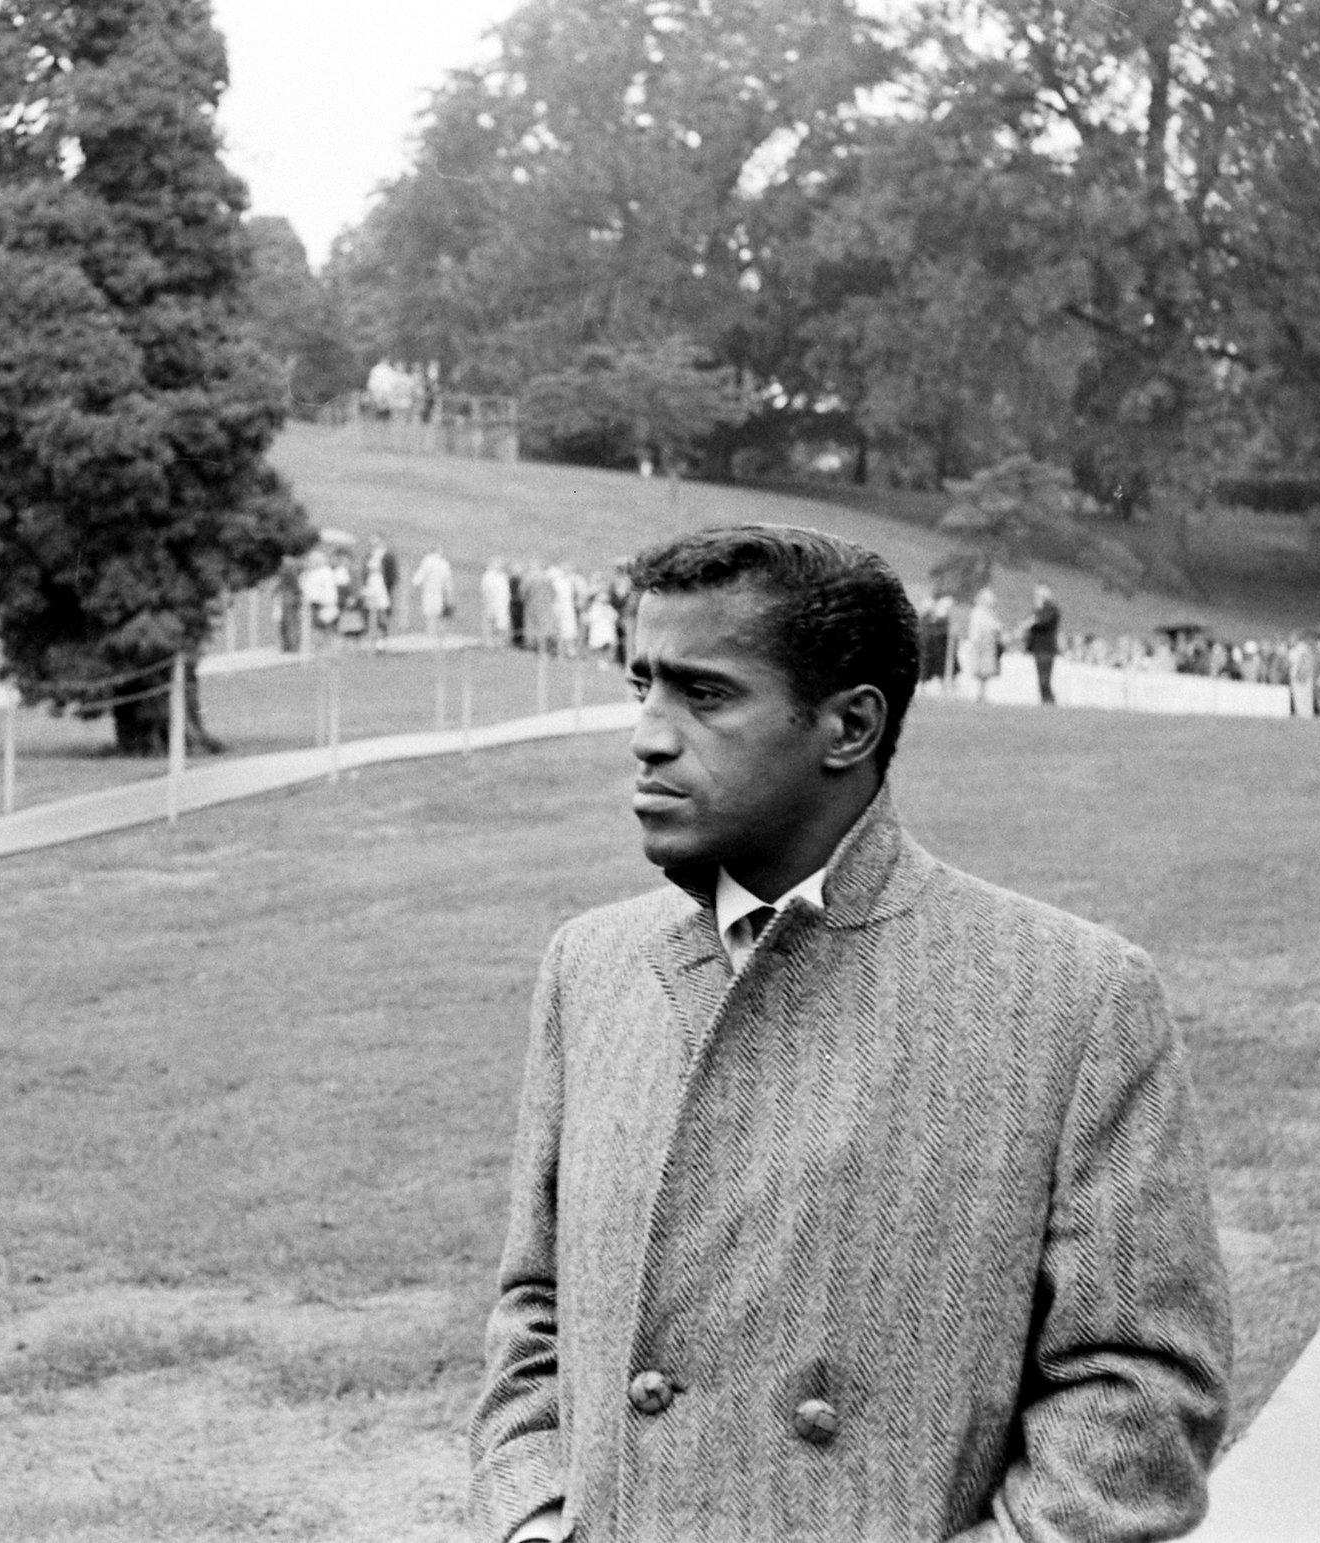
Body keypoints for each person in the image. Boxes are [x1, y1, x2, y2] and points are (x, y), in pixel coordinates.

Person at [471, 525, 1231, 1543]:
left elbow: (1143, 1392)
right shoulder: (590, 967)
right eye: (641, 685)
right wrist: (532, 1522)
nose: (647, 735)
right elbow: (535, 1315)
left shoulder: (1073, 996)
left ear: (849, 727)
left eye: (703, 694)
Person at [1022, 583, 1062, 705]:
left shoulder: (1052, 610)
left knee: (1045, 678)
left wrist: (1033, 620)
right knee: (1041, 677)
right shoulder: (1038, 611)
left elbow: (1042, 624)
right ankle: (1045, 700)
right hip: (1038, 647)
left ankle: (1049, 701)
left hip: (1046, 648)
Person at [963, 586, 1003, 702]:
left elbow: (995, 627)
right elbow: (976, 630)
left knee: (985, 672)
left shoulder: (989, 613)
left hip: (988, 645)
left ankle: (982, 693)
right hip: (981, 645)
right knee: (979, 670)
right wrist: (974, 643)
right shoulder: (978, 612)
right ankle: (979, 694)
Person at [413, 548, 454, 639]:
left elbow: (421, 574)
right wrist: (449, 591)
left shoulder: (428, 561)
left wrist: (416, 582)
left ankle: (431, 633)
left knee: (430, 611)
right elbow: (448, 580)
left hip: (431, 590)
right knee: (437, 611)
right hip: (437, 590)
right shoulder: (443, 563)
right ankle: (437, 634)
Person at [482, 558, 514, 647]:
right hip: (491, 602)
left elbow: (506, 591)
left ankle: (500, 641)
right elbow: (486, 590)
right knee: (490, 621)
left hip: (502, 603)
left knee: (501, 623)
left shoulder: (502, 577)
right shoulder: (488, 576)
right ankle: (489, 641)